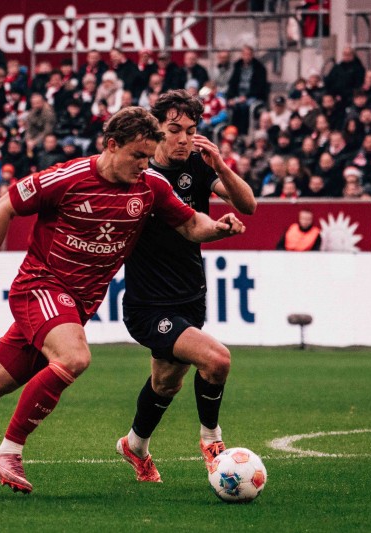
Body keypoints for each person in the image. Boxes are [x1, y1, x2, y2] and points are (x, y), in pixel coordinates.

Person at [0, 106, 245, 494]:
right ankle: (9, 452)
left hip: (74, 306)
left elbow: (191, 224)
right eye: (138, 156)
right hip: (41, 288)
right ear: (112, 145)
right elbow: (5, 206)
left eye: (148, 157)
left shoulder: (149, 187)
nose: (145, 165)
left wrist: (218, 227)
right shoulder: (69, 177)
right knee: (75, 357)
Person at [116, 90, 256, 483]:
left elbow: (248, 205)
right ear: (156, 129)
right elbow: (191, 225)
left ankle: (135, 445)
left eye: (191, 131)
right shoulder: (140, 173)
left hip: (190, 295)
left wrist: (221, 166)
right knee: (217, 360)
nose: (184, 139)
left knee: (166, 382)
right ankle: (212, 441)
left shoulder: (198, 165)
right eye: (175, 129)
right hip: (148, 303)